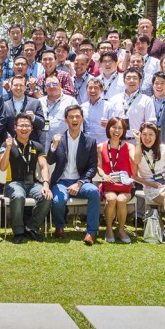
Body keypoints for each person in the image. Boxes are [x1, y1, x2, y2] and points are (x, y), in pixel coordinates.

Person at [48, 104, 102, 245]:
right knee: (58, 200)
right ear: (66, 120)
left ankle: (91, 232)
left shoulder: (89, 141)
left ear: (82, 119)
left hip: (80, 181)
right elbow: (49, 160)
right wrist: (53, 146)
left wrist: (79, 183)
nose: (74, 119)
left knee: (94, 192)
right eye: (71, 117)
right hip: (61, 181)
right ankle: (59, 226)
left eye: (77, 116)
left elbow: (92, 168)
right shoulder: (58, 139)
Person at [0, 112, 50, 243]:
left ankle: (31, 227)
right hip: (13, 183)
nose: (24, 128)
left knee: (47, 196)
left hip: (33, 183)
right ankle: (18, 231)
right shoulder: (7, 145)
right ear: (15, 127)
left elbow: (44, 166)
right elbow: (2, 167)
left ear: (32, 128)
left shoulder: (37, 146)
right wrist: (8, 149)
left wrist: (46, 184)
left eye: (27, 126)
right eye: (21, 125)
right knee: (18, 196)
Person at [95, 116, 136, 244]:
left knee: (121, 199)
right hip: (109, 183)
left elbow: (135, 160)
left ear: (124, 130)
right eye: (113, 127)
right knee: (112, 199)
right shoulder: (101, 146)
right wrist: (103, 175)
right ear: (108, 129)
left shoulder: (129, 146)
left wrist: (139, 142)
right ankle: (108, 229)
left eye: (120, 128)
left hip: (125, 185)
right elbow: (98, 167)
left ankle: (121, 229)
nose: (116, 130)